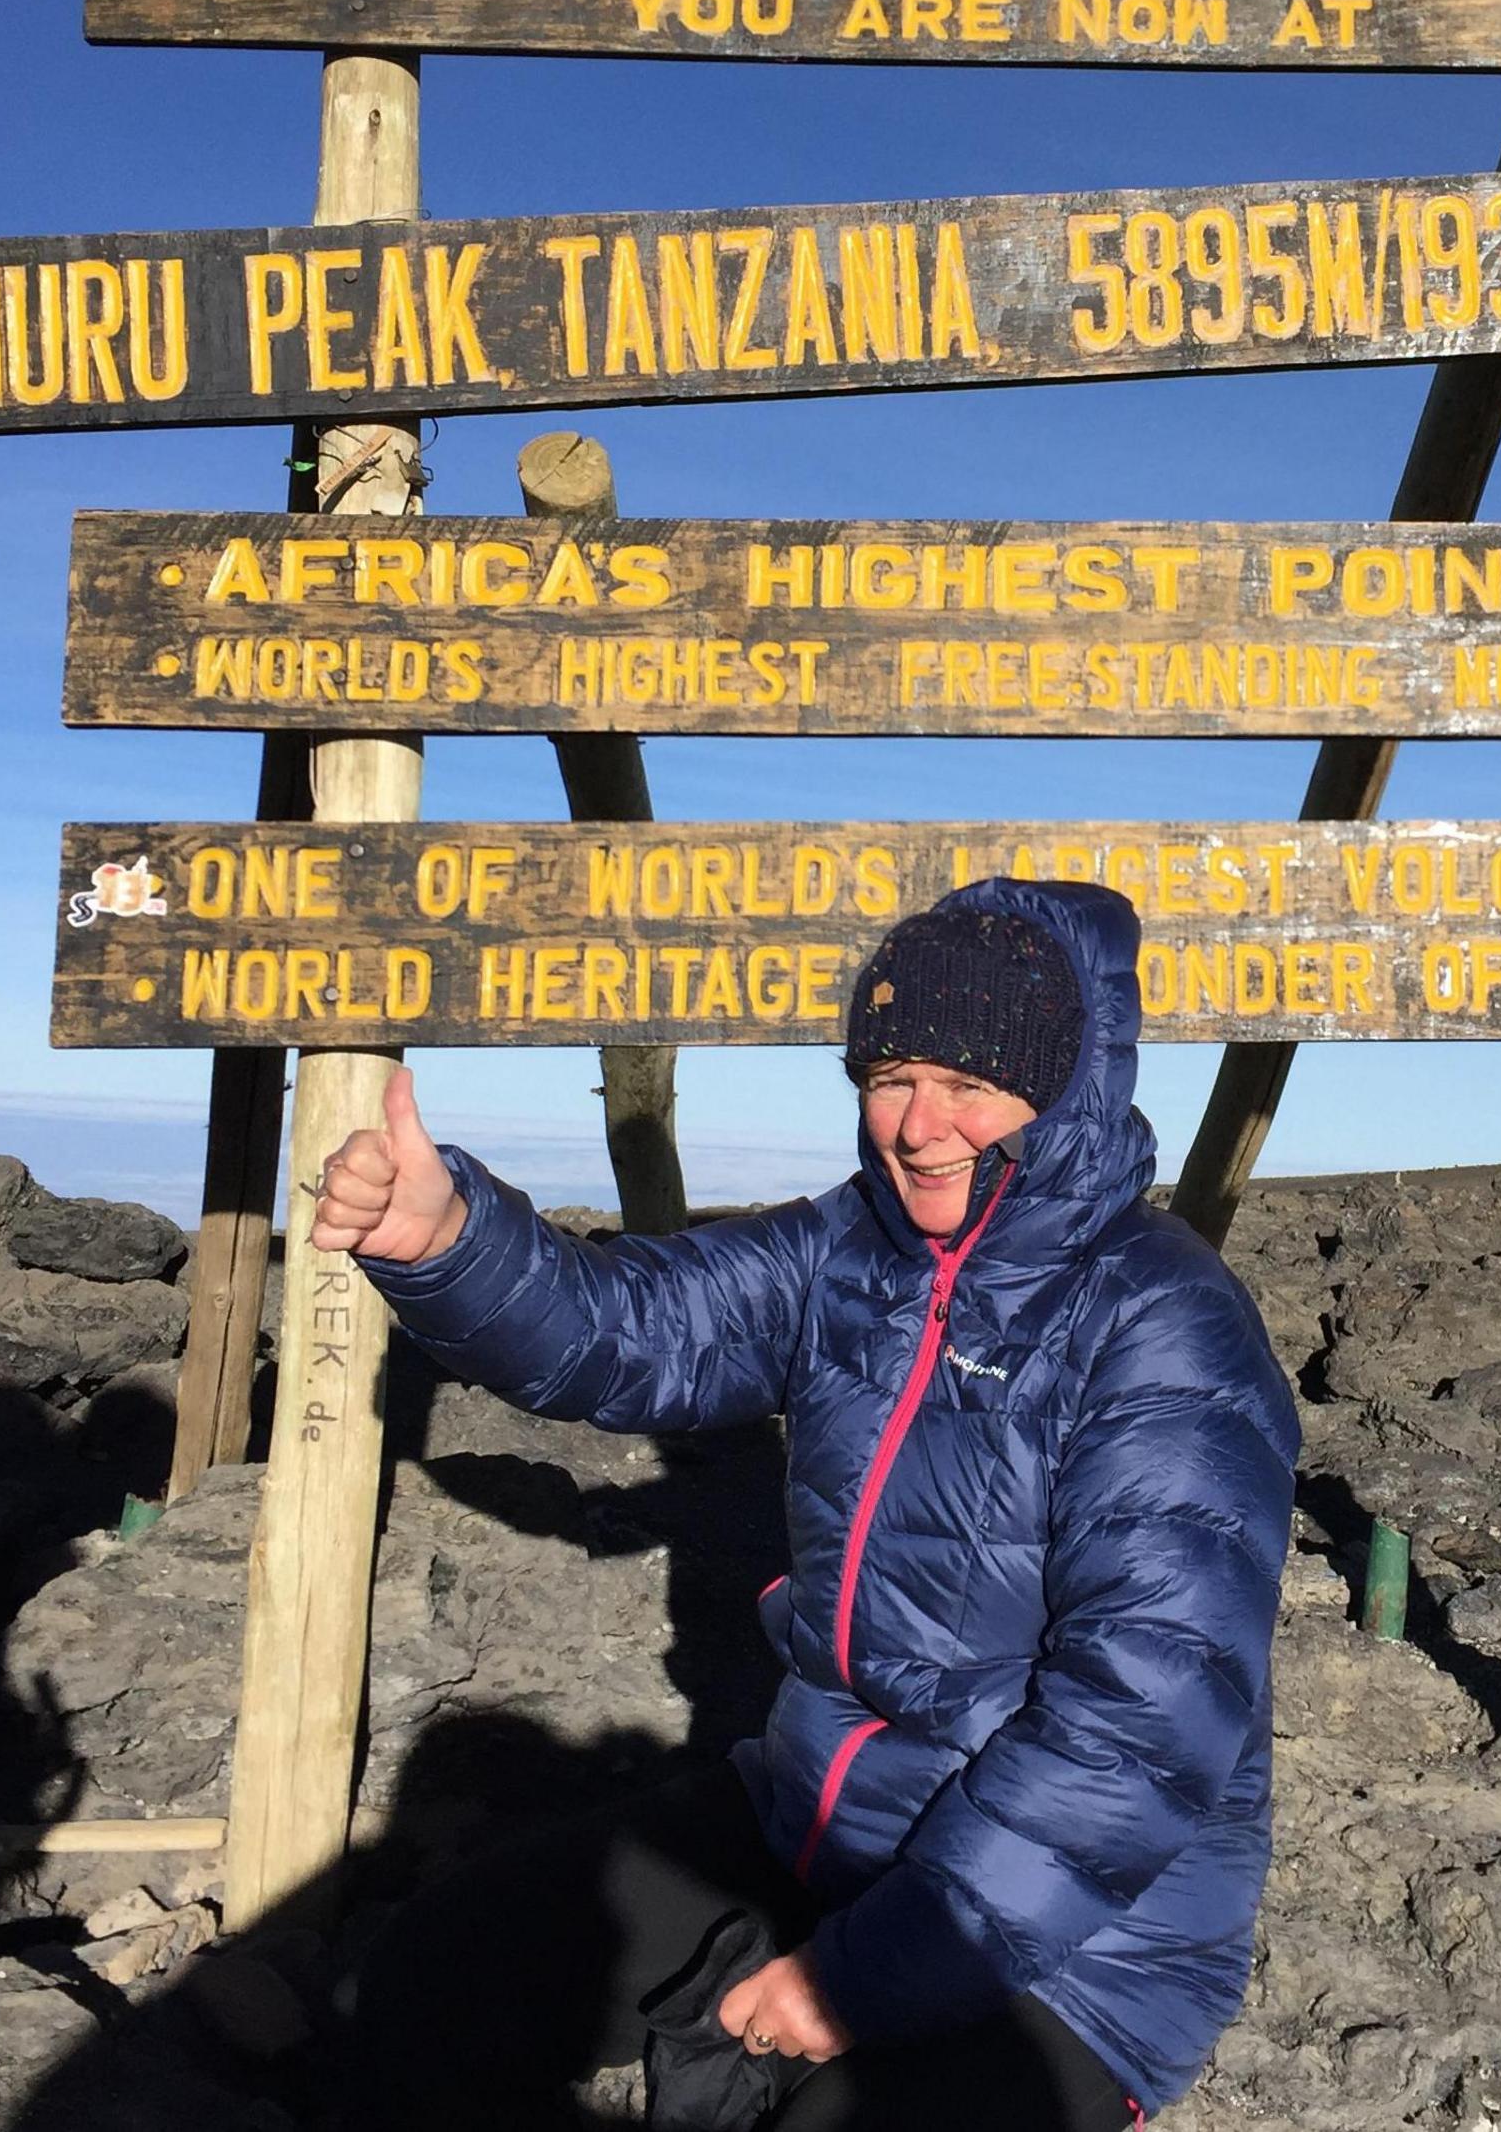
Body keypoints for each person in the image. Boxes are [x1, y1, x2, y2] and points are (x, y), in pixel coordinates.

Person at [319, 879, 1299, 2130]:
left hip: (1079, 1946)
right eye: (889, 1076)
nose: (918, 1124)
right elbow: (633, 1327)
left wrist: (855, 1978)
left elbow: (1138, 1725)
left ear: (1060, 1087)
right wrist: (445, 1234)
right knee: (436, 1974)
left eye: (969, 1081)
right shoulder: (848, 1251)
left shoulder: (1160, 1323)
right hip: (814, 1819)